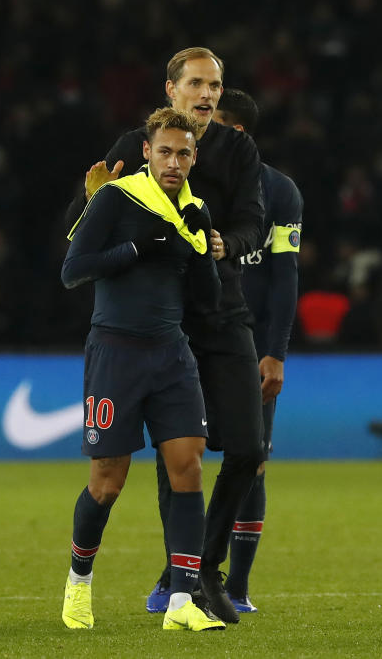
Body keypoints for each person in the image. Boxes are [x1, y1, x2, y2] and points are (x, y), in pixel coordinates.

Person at [67, 47, 265, 624]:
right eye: (198, 84)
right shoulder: (131, 155)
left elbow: (256, 221)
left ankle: (198, 574)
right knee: (137, 471)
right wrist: (97, 205)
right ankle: (169, 581)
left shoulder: (236, 154)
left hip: (213, 311)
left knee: (242, 450)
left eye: (216, 86)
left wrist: (219, 244)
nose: (208, 95)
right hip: (144, 328)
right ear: (171, 90)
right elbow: (78, 248)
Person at [60, 107, 224, 631]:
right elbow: (73, 270)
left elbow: (208, 302)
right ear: (147, 153)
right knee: (108, 483)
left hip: (172, 353)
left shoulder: (194, 209)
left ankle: (181, 603)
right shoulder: (116, 197)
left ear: (194, 157)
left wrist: (202, 250)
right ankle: (79, 583)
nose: (173, 162)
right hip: (116, 351)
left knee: (189, 469)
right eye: (164, 152)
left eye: (183, 153)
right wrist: (134, 248)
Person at [212, 88, 304, 613]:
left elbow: (285, 275)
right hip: (199, 338)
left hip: (248, 345)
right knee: (183, 459)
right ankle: (183, 574)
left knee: (253, 462)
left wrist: (276, 350)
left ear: (237, 133)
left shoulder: (280, 193)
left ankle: (238, 587)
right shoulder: (198, 183)